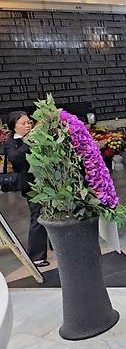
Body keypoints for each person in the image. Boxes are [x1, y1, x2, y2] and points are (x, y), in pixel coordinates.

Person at [4, 111, 49, 268]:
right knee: (38, 215)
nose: (28, 125)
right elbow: (15, 158)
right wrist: (28, 142)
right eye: (23, 123)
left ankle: (54, 245)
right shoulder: (11, 142)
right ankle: (36, 256)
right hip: (31, 185)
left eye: (29, 122)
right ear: (14, 127)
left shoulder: (38, 137)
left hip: (47, 181)